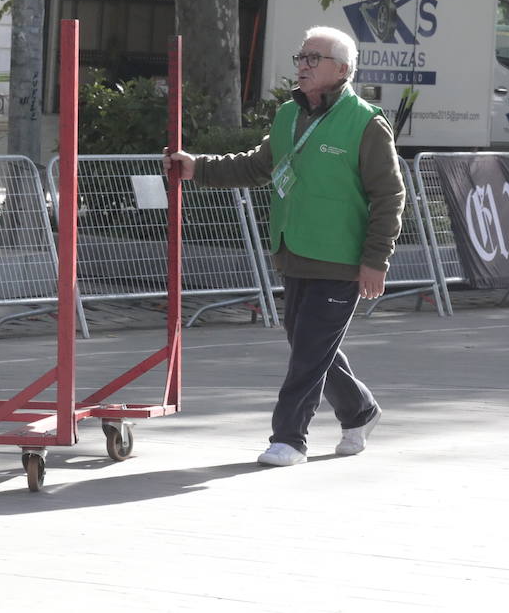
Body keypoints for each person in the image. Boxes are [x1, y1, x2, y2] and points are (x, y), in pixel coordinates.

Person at [164, 26, 405, 466]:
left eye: (314, 58)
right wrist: (197, 168)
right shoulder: (288, 115)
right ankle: (360, 411)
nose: (303, 65)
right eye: (301, 56)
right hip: (294, 249)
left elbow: (389, 196)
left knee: (310, 349)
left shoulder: (366, 123)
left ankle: (290, 438)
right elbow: (258, 166)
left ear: (343, 70)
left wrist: (376, 261)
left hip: (341, 257)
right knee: (309, 347)